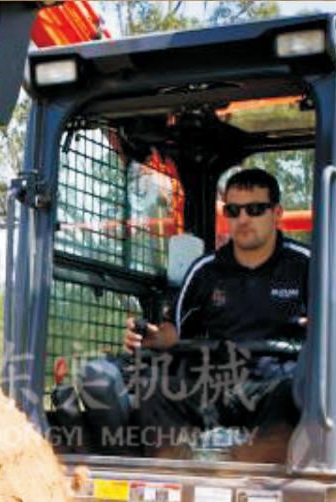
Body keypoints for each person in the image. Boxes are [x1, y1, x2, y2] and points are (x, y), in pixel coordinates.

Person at [79, 168, 309, 462]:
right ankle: (172, 479)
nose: (243, 219)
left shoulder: (304, 265)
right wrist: (151, 337)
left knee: (295, 396)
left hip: (274, 388)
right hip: (216, 387)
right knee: (156, 390)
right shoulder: (205, 271)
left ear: (277, 213)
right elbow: (173, 330)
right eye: (234, 210)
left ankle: (257, 478)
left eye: (255, 209)